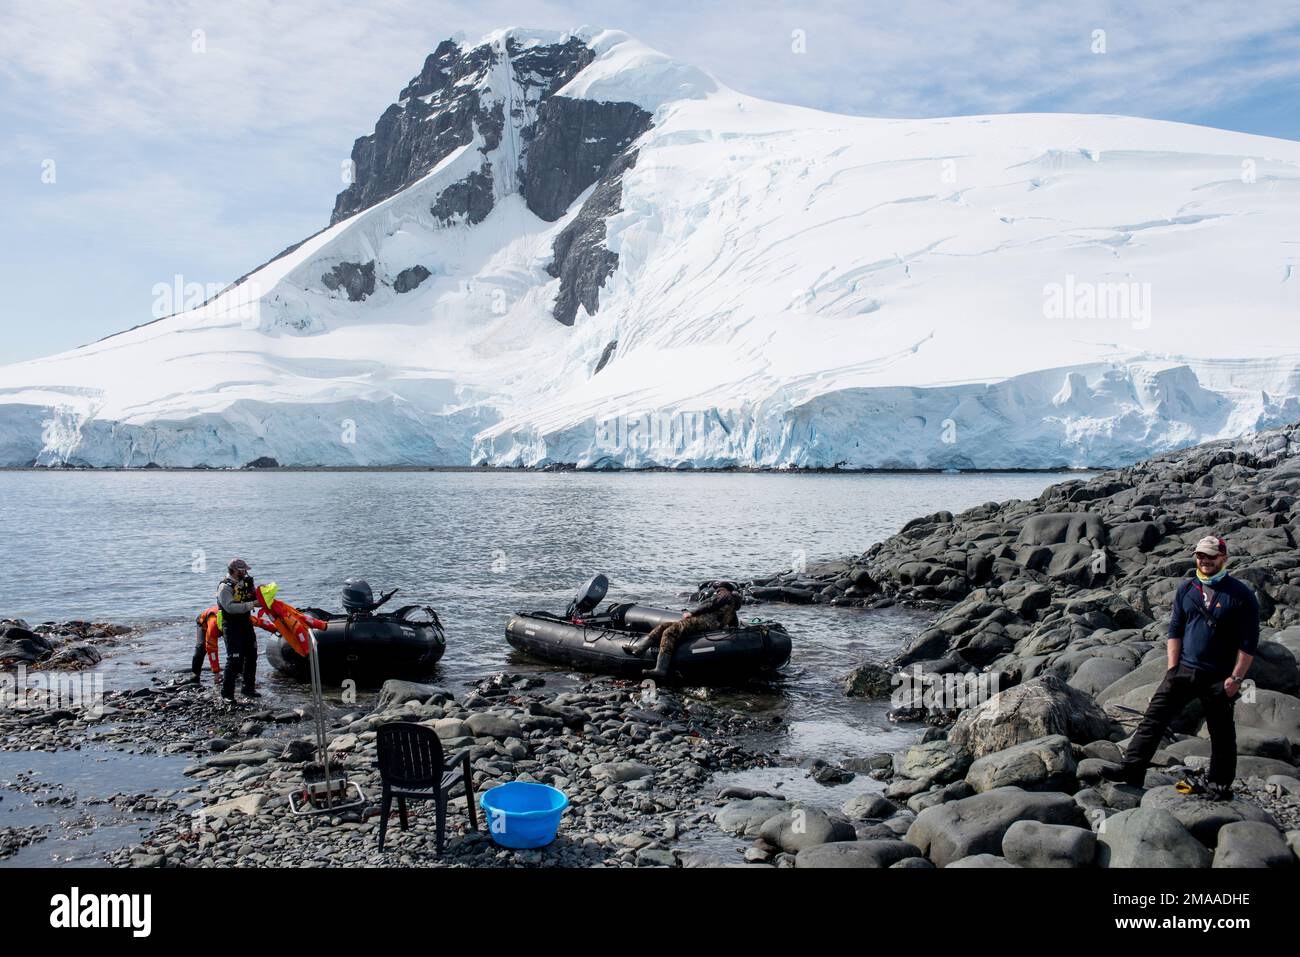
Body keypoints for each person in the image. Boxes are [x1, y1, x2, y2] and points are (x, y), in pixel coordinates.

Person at [1101, 535, 1258, 799]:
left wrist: (1236, 679)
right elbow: (1175, 629)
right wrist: (1172, 667)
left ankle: (1220, 784)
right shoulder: (1187, 589)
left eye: (1210, 556)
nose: (1204, 561)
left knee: (1221, 732)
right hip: (1184, 669)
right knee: (1153, 720)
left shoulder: (1240, 595)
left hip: (1219, 676)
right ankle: (1131, 769)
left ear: (1223, 558)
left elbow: (1249, 642)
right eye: (1200, 555)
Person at [622, 581, 743, 680]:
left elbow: (710, 604)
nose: (716, 592)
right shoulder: (732, 605)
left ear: (724, 589)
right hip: (707, 625)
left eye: (718, 589)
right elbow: (734, 623)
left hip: (703, 622)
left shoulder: (725, 595)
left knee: (669, 632)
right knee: (663, 626)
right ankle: (640, 648)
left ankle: (661, 669)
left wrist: (692, 612)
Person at [217, 558, 262, 702]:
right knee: (234, 659)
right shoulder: (225, 587)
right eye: (243, 570)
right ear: (235, 571)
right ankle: (227, 694)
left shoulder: (246, 583)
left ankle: (248, 688)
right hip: (231, 625)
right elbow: (230, 607)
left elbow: (254, 599)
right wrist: (251, 604)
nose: (246, 572)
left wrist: (263, 596)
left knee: (251, 655)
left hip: (245, 623)